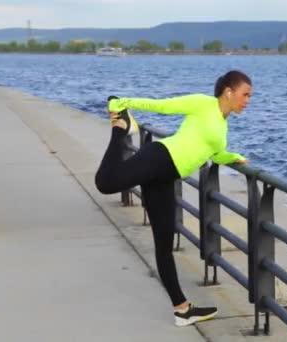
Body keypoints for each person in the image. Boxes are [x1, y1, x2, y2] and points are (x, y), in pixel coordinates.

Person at [95, 70, 252, 326]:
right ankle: (120, 127)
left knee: (164, 243)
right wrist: (126, 103)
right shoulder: (204, 104)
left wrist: (232, 157)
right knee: (105, 183)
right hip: (160, 157)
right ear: (228, 91)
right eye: (245, 95)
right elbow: (164, 106)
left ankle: (182, 309)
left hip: (166, 177)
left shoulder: (223, 125)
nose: (247, 101)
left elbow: (214, 152)